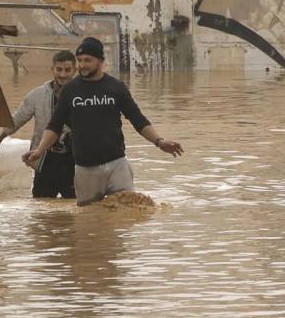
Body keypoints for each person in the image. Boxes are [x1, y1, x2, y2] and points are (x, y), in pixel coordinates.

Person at [25, 37, 183, 206]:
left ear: (100, 61)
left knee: (127, 212)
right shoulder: (70, 90)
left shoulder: (116, 87)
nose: (82, 65)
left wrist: (159, 142)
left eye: (87, 60)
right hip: (85, 169)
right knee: (89, 221)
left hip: (117, 164)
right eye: (79, 60)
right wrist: (40, 150)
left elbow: (138, 120)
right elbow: (54, 126)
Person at [0, 50, 77, 198]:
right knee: (41, 208)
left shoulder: (83, 95)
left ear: (75, 70)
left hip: (74, 161)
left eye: (67, 70)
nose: (63, 75)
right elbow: (17, 119)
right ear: (52, 70)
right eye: (59, 69)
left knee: (76, 207)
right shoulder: (38, 94)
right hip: (44, 159)